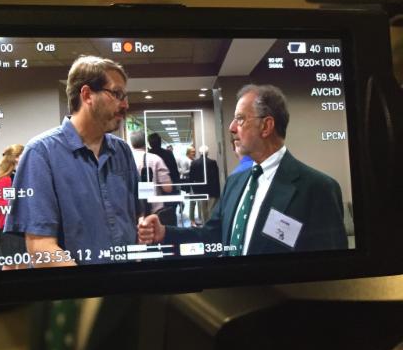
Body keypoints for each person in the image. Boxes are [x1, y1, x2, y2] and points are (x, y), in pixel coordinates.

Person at [138, 84, 348, 255]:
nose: (231, 128)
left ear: (266, 126)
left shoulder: (317, 189)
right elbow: (213, 235)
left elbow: (331, 272)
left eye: (240, 119)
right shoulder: (235, 183)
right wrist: (165, 232)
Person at [4, 55, 138, 267]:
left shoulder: (121, 150)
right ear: (87, 95)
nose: (125, 104)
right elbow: (40, 248)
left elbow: (132, 221)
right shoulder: (41, 153)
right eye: (117, 94)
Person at [129, 130, 171, 220]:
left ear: (131, 143)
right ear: (145, 142)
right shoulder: (155, 159)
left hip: (131, 211)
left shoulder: (124, 160)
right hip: (154, 211)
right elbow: (167, 188)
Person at [189, 145, 221, 224]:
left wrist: (194, 190)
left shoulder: (194, 163)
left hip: (200, 191)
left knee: (203, 212)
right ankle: (210, 227)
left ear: (199, 153)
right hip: (211, 190)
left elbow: (191, 178)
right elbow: (216, 178)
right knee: (211, 211)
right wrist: (218, 192)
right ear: (207, 153)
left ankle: (204, 226)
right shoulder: (212, 162)